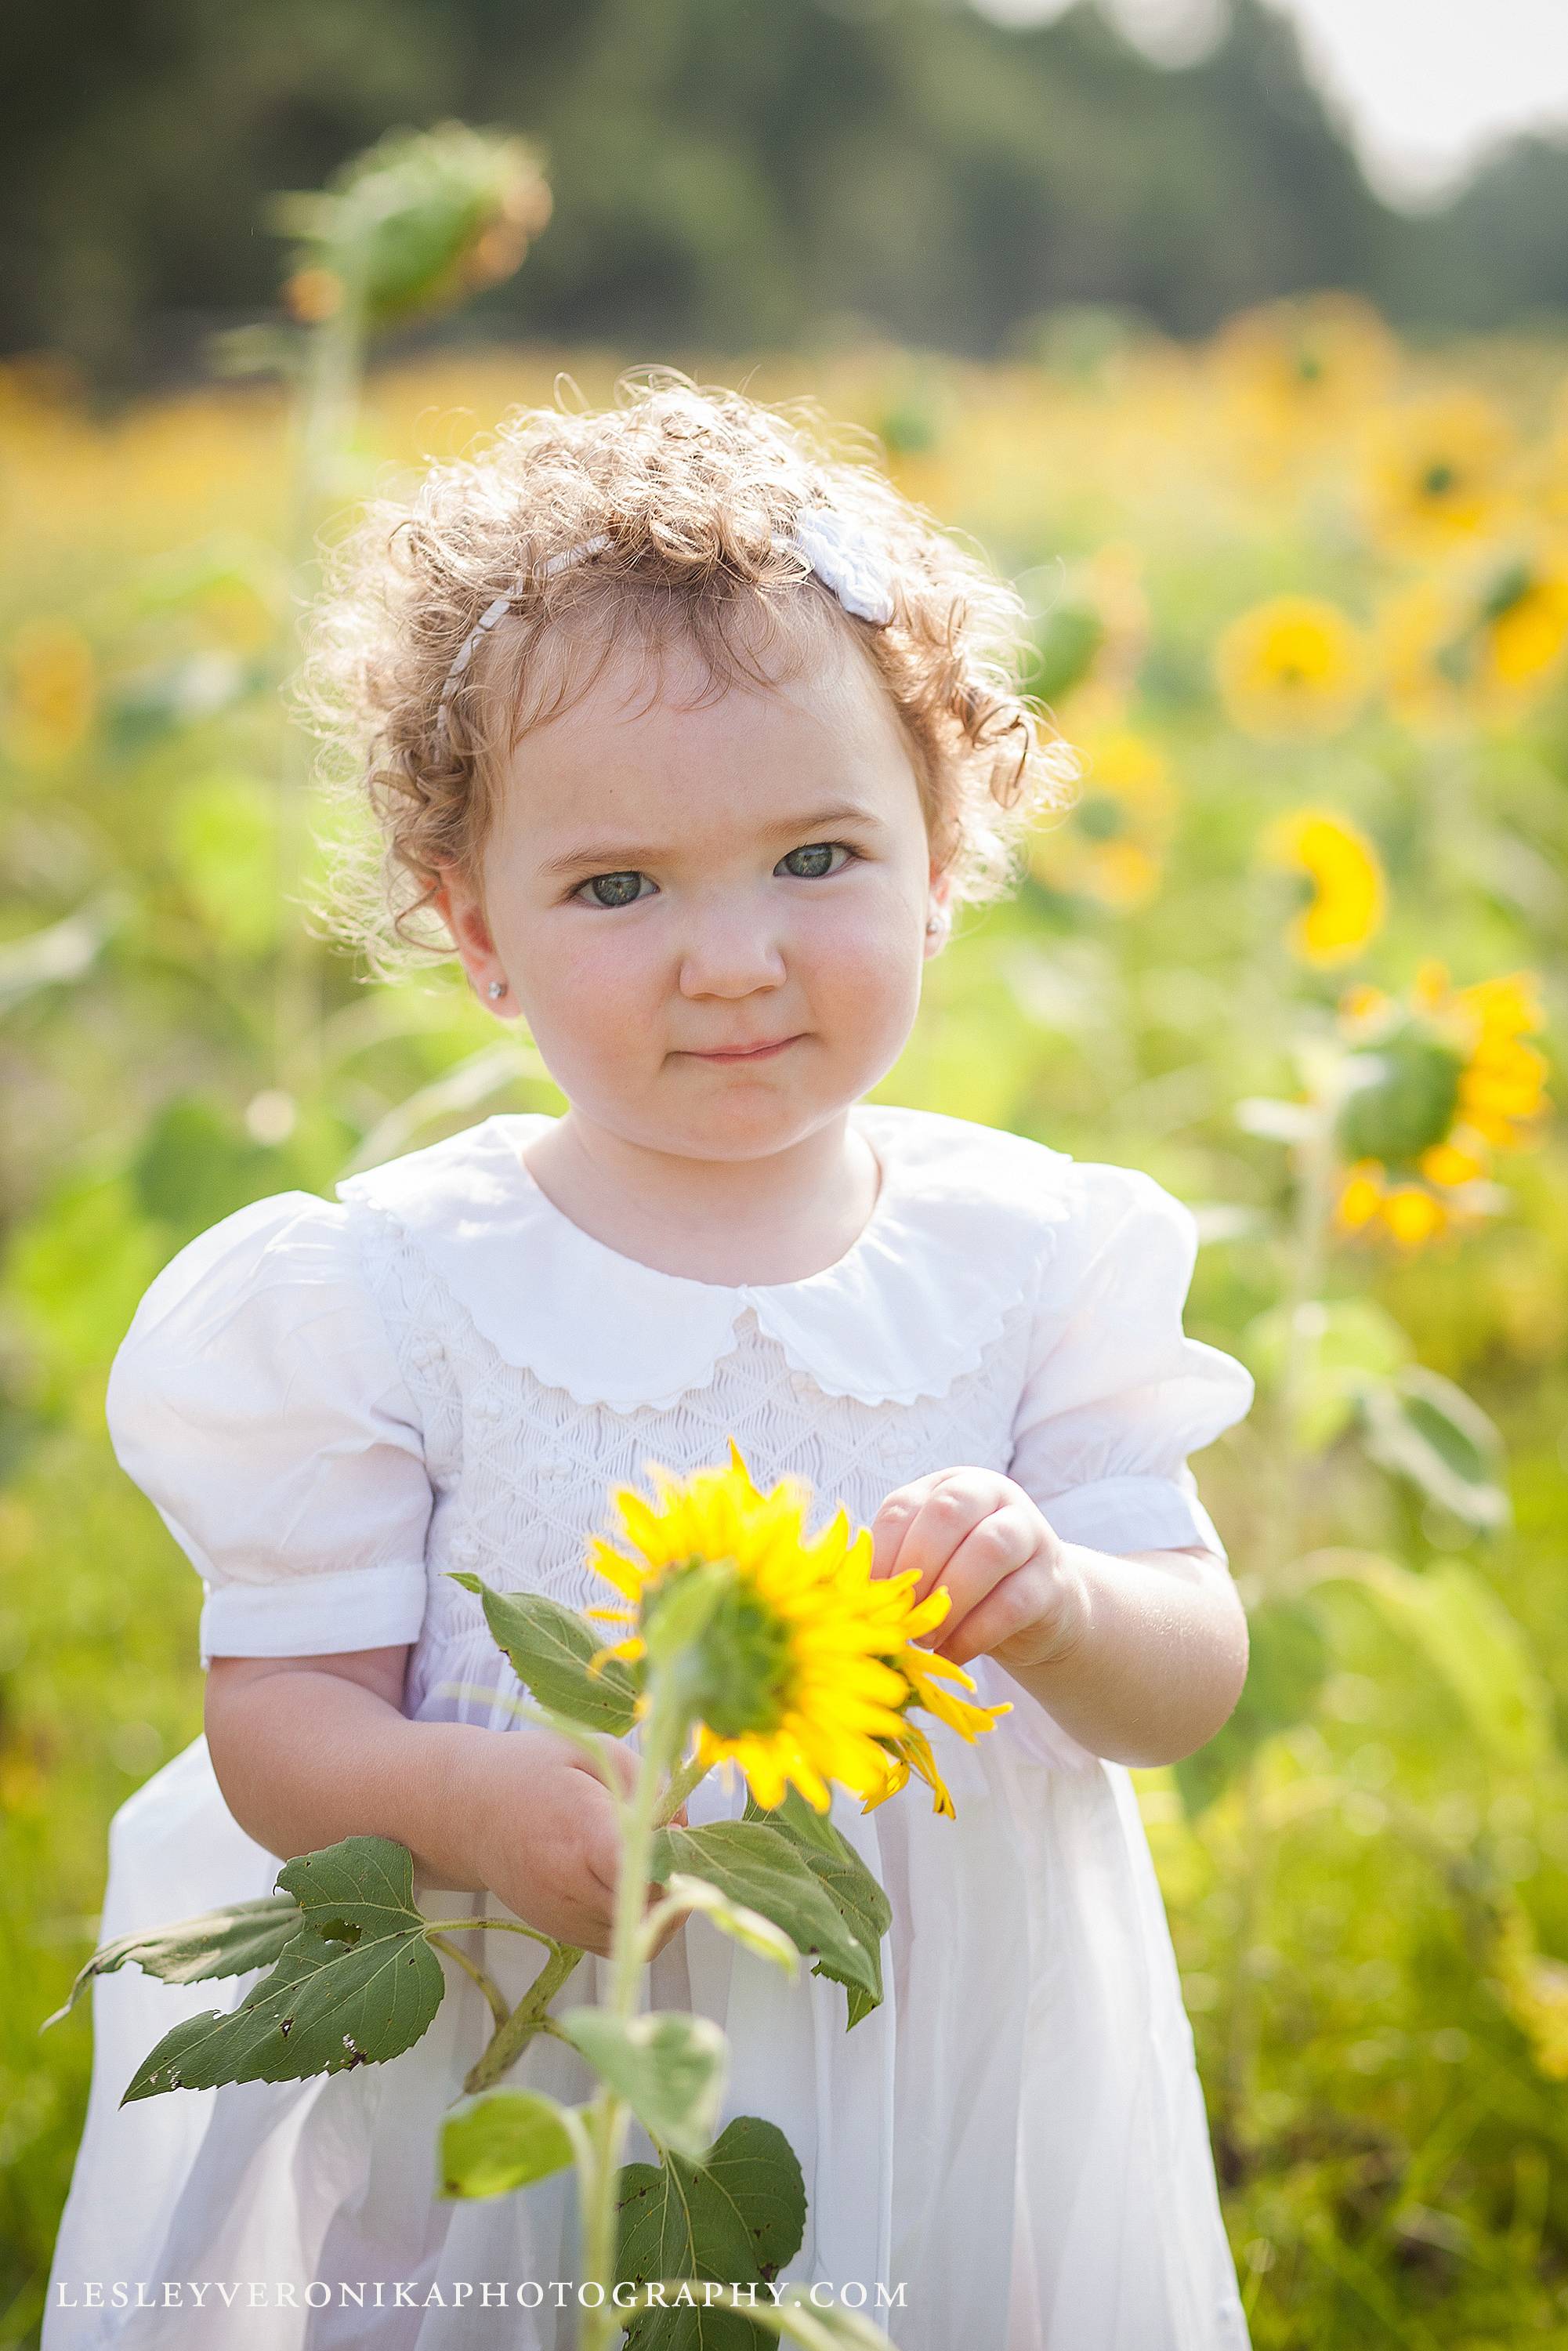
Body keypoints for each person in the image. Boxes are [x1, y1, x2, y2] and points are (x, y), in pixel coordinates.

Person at [45, 373, 1255, 2351]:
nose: (731, 957)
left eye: (815, 860)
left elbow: (1183, 1677)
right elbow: (276, 1724)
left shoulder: (1037, 1257)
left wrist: (1059, 1595)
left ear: (943, 851)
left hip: (935, 2069)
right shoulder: (392, 1293)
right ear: (477, 930)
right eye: (617, 888)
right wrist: (464, 1797)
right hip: (522, 2045)